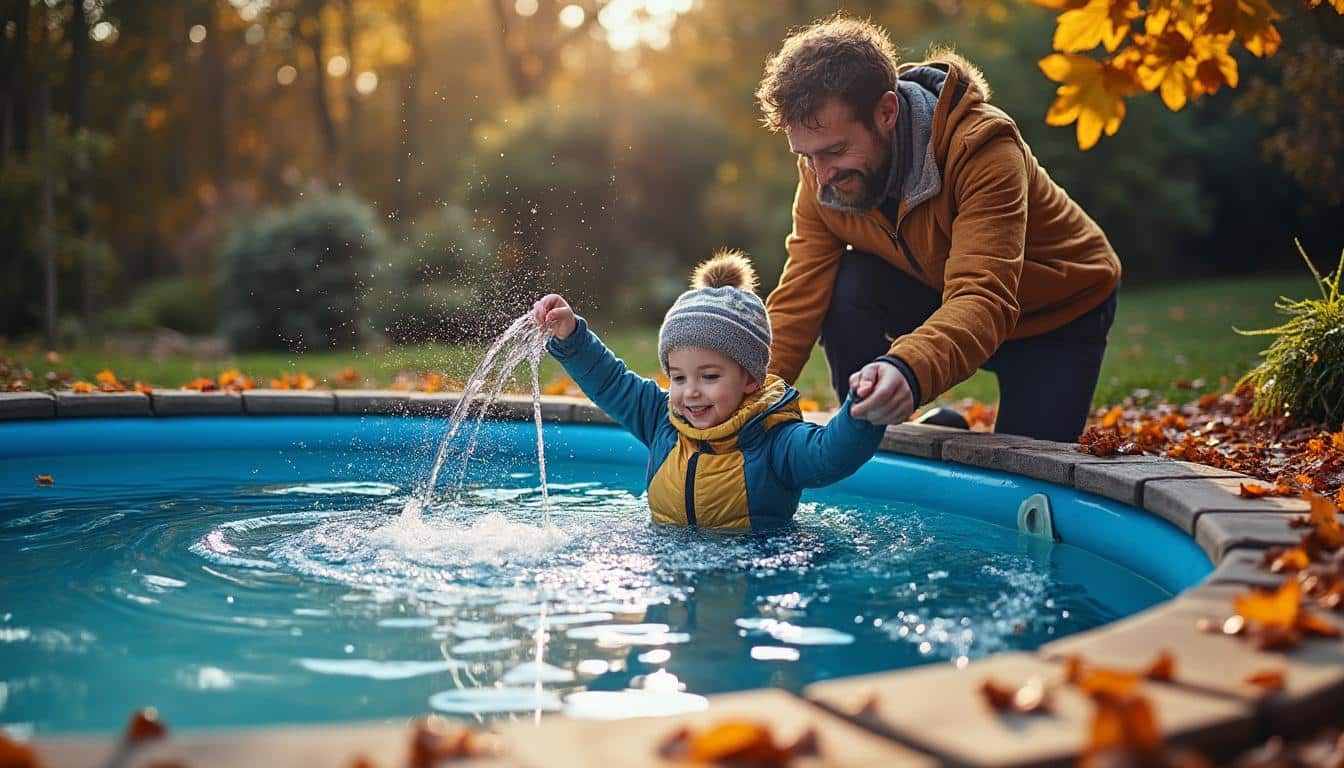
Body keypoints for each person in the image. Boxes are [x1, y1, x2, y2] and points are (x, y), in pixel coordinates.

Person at [755, 15, 1121, 443]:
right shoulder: (821, 172)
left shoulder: (983, 148)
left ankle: (897, 403)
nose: (821, 175)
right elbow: (798, 298)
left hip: (1055, 312)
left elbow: (983, 296)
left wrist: (908, 368)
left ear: (886, 112)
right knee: (846, 283)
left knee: (1023, 476)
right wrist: (749, 401)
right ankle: (875, 438)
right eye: (806, 155)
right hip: (939, 289)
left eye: (835, 150)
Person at [532, 249, 884, 530]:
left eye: (710, 377)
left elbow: (830, 455)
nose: (691, 392)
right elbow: (610, 382)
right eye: (679, 378)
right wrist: (572, 337)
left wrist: (863, 412)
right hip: (672, 584)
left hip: (753, 575)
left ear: (750, 379)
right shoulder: (661, 420)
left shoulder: (774, 440)